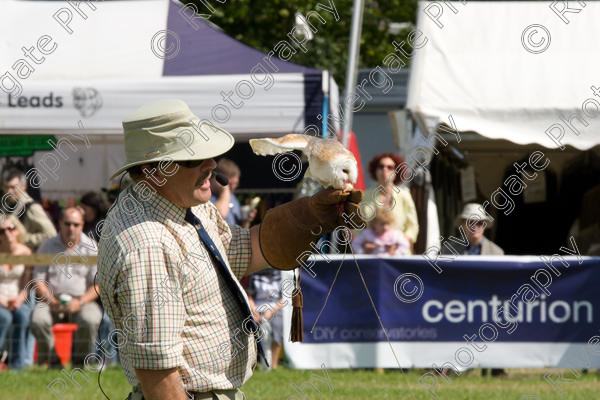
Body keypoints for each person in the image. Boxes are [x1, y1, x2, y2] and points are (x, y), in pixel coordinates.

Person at [97, 99, 363, 400]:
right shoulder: (146, 244)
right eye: (191, 159)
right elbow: (158, 374)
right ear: (152, 170)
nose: (210, 164)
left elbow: (237, 253)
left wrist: (309, 217)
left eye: (208, 154)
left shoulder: (186, 207)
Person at [30, 207, 102, 366]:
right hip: (50, 301)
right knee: (38, 320)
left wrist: (80, 302)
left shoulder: (91, 247)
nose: (71, 228)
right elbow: (38, 280)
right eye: (67, 223)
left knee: (90, 319)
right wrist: (53, 302)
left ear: (82, 225)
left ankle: (80, 362)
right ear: (60, 223)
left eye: (76, 224)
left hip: (82, 301)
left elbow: (98, 285)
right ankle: (53, 361)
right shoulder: (47, 246)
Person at [443, 203, 505, 378]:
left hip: (487, 306)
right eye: (470, 222)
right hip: (456, 307)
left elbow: (500, 287)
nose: (474, 227)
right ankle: (447, 366)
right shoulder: (448, 250)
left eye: (479, 223)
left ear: (484, 226)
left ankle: (496, 366)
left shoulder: (497, 253)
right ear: (462, 225)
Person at [363, 153, 419, 253]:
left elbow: (412, 226)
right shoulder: (365, 196)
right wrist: (365, 244)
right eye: (381, 166)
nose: (385, 169)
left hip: (400, 254)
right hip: (372, 255)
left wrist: (400, 243)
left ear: (396, 172)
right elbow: (358, 227)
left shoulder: (405, 196)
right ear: (375, 171)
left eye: (390, 167)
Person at [0, 216, 33, 370]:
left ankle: (17, 366)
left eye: (11, 228)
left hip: (18, 297)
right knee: (4, 317)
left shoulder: (26, 252)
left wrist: (19, 299)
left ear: (18, 230)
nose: (7, 233)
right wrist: (3, 300)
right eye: (2, 230)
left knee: (22, 316)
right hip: (1, 299)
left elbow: (27, 284)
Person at [2, 168, 57, 251]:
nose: (9, 191)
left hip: (28, 258)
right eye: (6, 187)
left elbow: (50, 234)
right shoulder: (6, 206)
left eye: (13, 187)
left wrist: (23, 239)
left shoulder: (32, 208)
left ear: (23, 186)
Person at [246, 269, 285, 369]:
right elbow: (249, 296)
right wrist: (254, 312)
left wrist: (271, 311)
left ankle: (274, 365)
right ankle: (254, 364)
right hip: (257, 309)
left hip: (276, 309)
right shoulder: (253, 275)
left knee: (277, 328)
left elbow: (284, 299)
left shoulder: (281, 275)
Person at [210, 158, 257, 228]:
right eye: (230, 184)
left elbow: (241, 229)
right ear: (217, 179)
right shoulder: (206, 196)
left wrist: (247, 220)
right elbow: (219, 216)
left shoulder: (232, 197)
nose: (233, 187)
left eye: (236, 184)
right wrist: (225, 189)